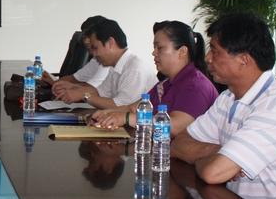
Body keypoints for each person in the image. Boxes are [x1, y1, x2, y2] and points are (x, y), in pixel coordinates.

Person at [171, 13, 276, 199]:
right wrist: (220, 152)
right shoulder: (228, 98)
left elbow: (212, 173)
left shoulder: (275, 106)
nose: (207, 58)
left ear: (244, 59)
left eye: (215, 51)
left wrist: (209, 159)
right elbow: (178, 144)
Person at [90, 21, 218, 136]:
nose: (154, 53)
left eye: (160, 48)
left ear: (182, 51)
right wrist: (107, 113)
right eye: (154, 48)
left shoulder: (195, 85)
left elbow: (176, 127)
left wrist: (127, 118)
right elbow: (133, 109)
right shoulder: (165, 84)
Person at [53, 18, 155, 109]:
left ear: (110, 43)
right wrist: (73, 88)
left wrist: (84, 95)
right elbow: (100, 93)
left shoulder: (134, 69)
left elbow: (121, 107)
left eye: (95, 48)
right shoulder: (115, 66)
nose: (93, 54)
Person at [43, 15, 109, 88]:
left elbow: (92, 89)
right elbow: (74, 78)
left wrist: (56, 84)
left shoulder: (108, 61)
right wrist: (54, 81)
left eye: (89, 36)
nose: (85, 41)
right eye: (84, 36)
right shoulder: (96, 59)